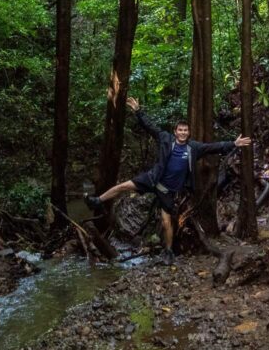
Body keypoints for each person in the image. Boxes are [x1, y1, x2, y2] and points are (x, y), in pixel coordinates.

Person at [85, 97, 252, 265]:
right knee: (123, 186)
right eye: (180, 130)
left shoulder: (193, 148)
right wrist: (137, 110)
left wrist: (233, 143)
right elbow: (150, 127)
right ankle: (97, 201)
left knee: (166, 222)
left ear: (188, 133)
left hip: (167, 190)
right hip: (152, 178)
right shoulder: (165, 139)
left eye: (185, 130)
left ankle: (169, 251)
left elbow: (214, 147)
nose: (183, 132)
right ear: (175, 131)